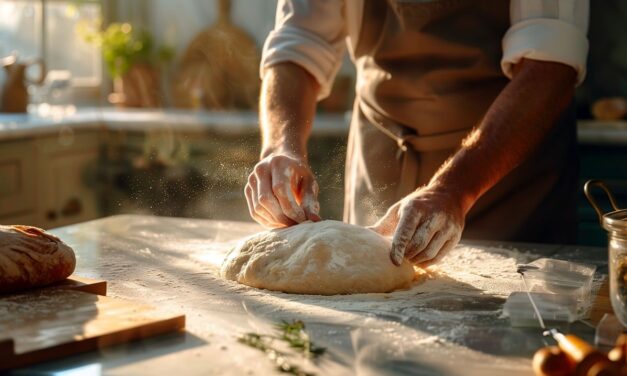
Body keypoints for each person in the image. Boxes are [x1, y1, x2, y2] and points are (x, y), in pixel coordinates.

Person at [245, 0, 589, 266]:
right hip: (382, 154)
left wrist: (455, 188)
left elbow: (550, 67)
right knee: (369, 319)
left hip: (507, 181)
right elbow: (299, 42)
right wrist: (281, 147)